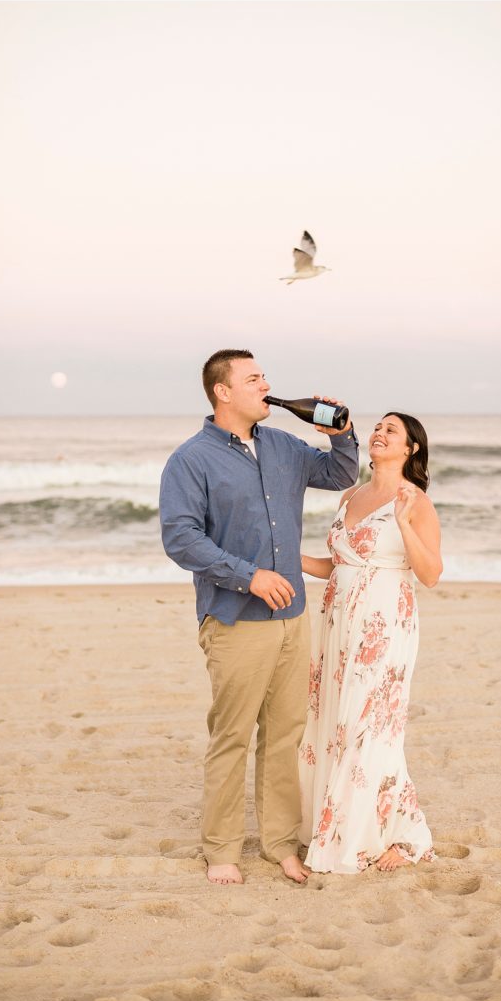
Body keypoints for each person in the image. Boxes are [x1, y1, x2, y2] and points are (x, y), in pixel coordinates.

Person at [159, 350, 359, 885]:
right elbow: (181, 539)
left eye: (265, 376)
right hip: (234, 619)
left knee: (285, 735)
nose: (267, 385)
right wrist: (249, 576)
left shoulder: (284, 446)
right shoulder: (191, 460)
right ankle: (222, 849)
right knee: (232, 736)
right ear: (223, 392)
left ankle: (279, 843)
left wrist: (342, 431)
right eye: (254, 379)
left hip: (294, 616)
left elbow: (341, 473)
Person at [299, 412, 442, 874]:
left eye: (391, 431)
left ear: (411, 449)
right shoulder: (350, 494)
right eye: (377, 428)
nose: (379, 434)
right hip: (337, 622)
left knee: (370, 727)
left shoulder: (415, 500)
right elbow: (338, 564)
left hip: (383, 626)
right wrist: (281, 557)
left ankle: (392, 835)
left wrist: (402, 522)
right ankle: (342, 825)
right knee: (334, 721)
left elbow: (431, 574)